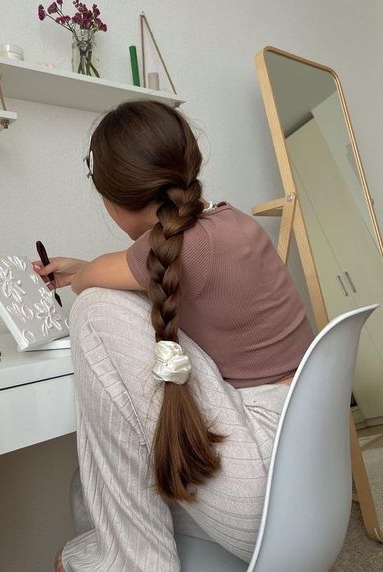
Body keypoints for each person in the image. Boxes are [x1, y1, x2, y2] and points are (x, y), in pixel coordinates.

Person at [32, 100, 314, 572]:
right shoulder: (231, 223)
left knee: (96, 308)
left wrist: (82, 278)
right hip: (306, 466)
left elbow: (101, 277)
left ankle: (128, 560)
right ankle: (120, 549)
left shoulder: (181, 246)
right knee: (88, 486)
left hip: (261, 480)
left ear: (111, 196)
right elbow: (130, 268)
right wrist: (85, 267)